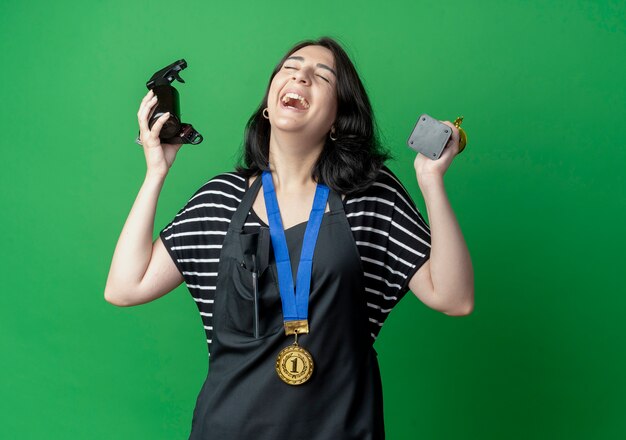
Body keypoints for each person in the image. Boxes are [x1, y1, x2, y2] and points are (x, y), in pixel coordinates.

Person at [104, 36, 474, 439]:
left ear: (338, 117)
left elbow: (454, 298)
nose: (300, 76)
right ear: (269, 100)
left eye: (322, 77)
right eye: (290, 68)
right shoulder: (222, 198)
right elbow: (126, 286)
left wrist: (430, 181)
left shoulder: (372, 196)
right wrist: (156, 172)